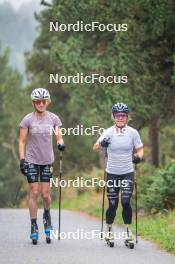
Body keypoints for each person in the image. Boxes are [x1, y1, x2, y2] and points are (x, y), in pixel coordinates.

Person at [93, 102, 144, 246]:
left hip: (127, 172)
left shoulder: (133, 132)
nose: (120, 118)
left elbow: (140, 149)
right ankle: (109, 230)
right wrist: (102, 143)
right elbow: (95, 148)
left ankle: (128, 232)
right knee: (113, 204)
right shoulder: (108, 132)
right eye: (117, 115)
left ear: (128, 117)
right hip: (112, 174)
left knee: (126, 202)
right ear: (113, 117)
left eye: (123, 116)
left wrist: (138, 157)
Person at [18, 88, 65, 244]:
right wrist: (22, 159)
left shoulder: (53, 118)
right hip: (31, 160)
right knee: (34, 192)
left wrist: (60, 143)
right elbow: (22, 141)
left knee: (45, 194)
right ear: (33, 103)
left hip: (47, 161)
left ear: (47, 102)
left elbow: (58, 135)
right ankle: (33, 226)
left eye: (43, 101)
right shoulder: (27, 120)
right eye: (37, 101)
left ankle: (47, 215)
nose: (40, 104)